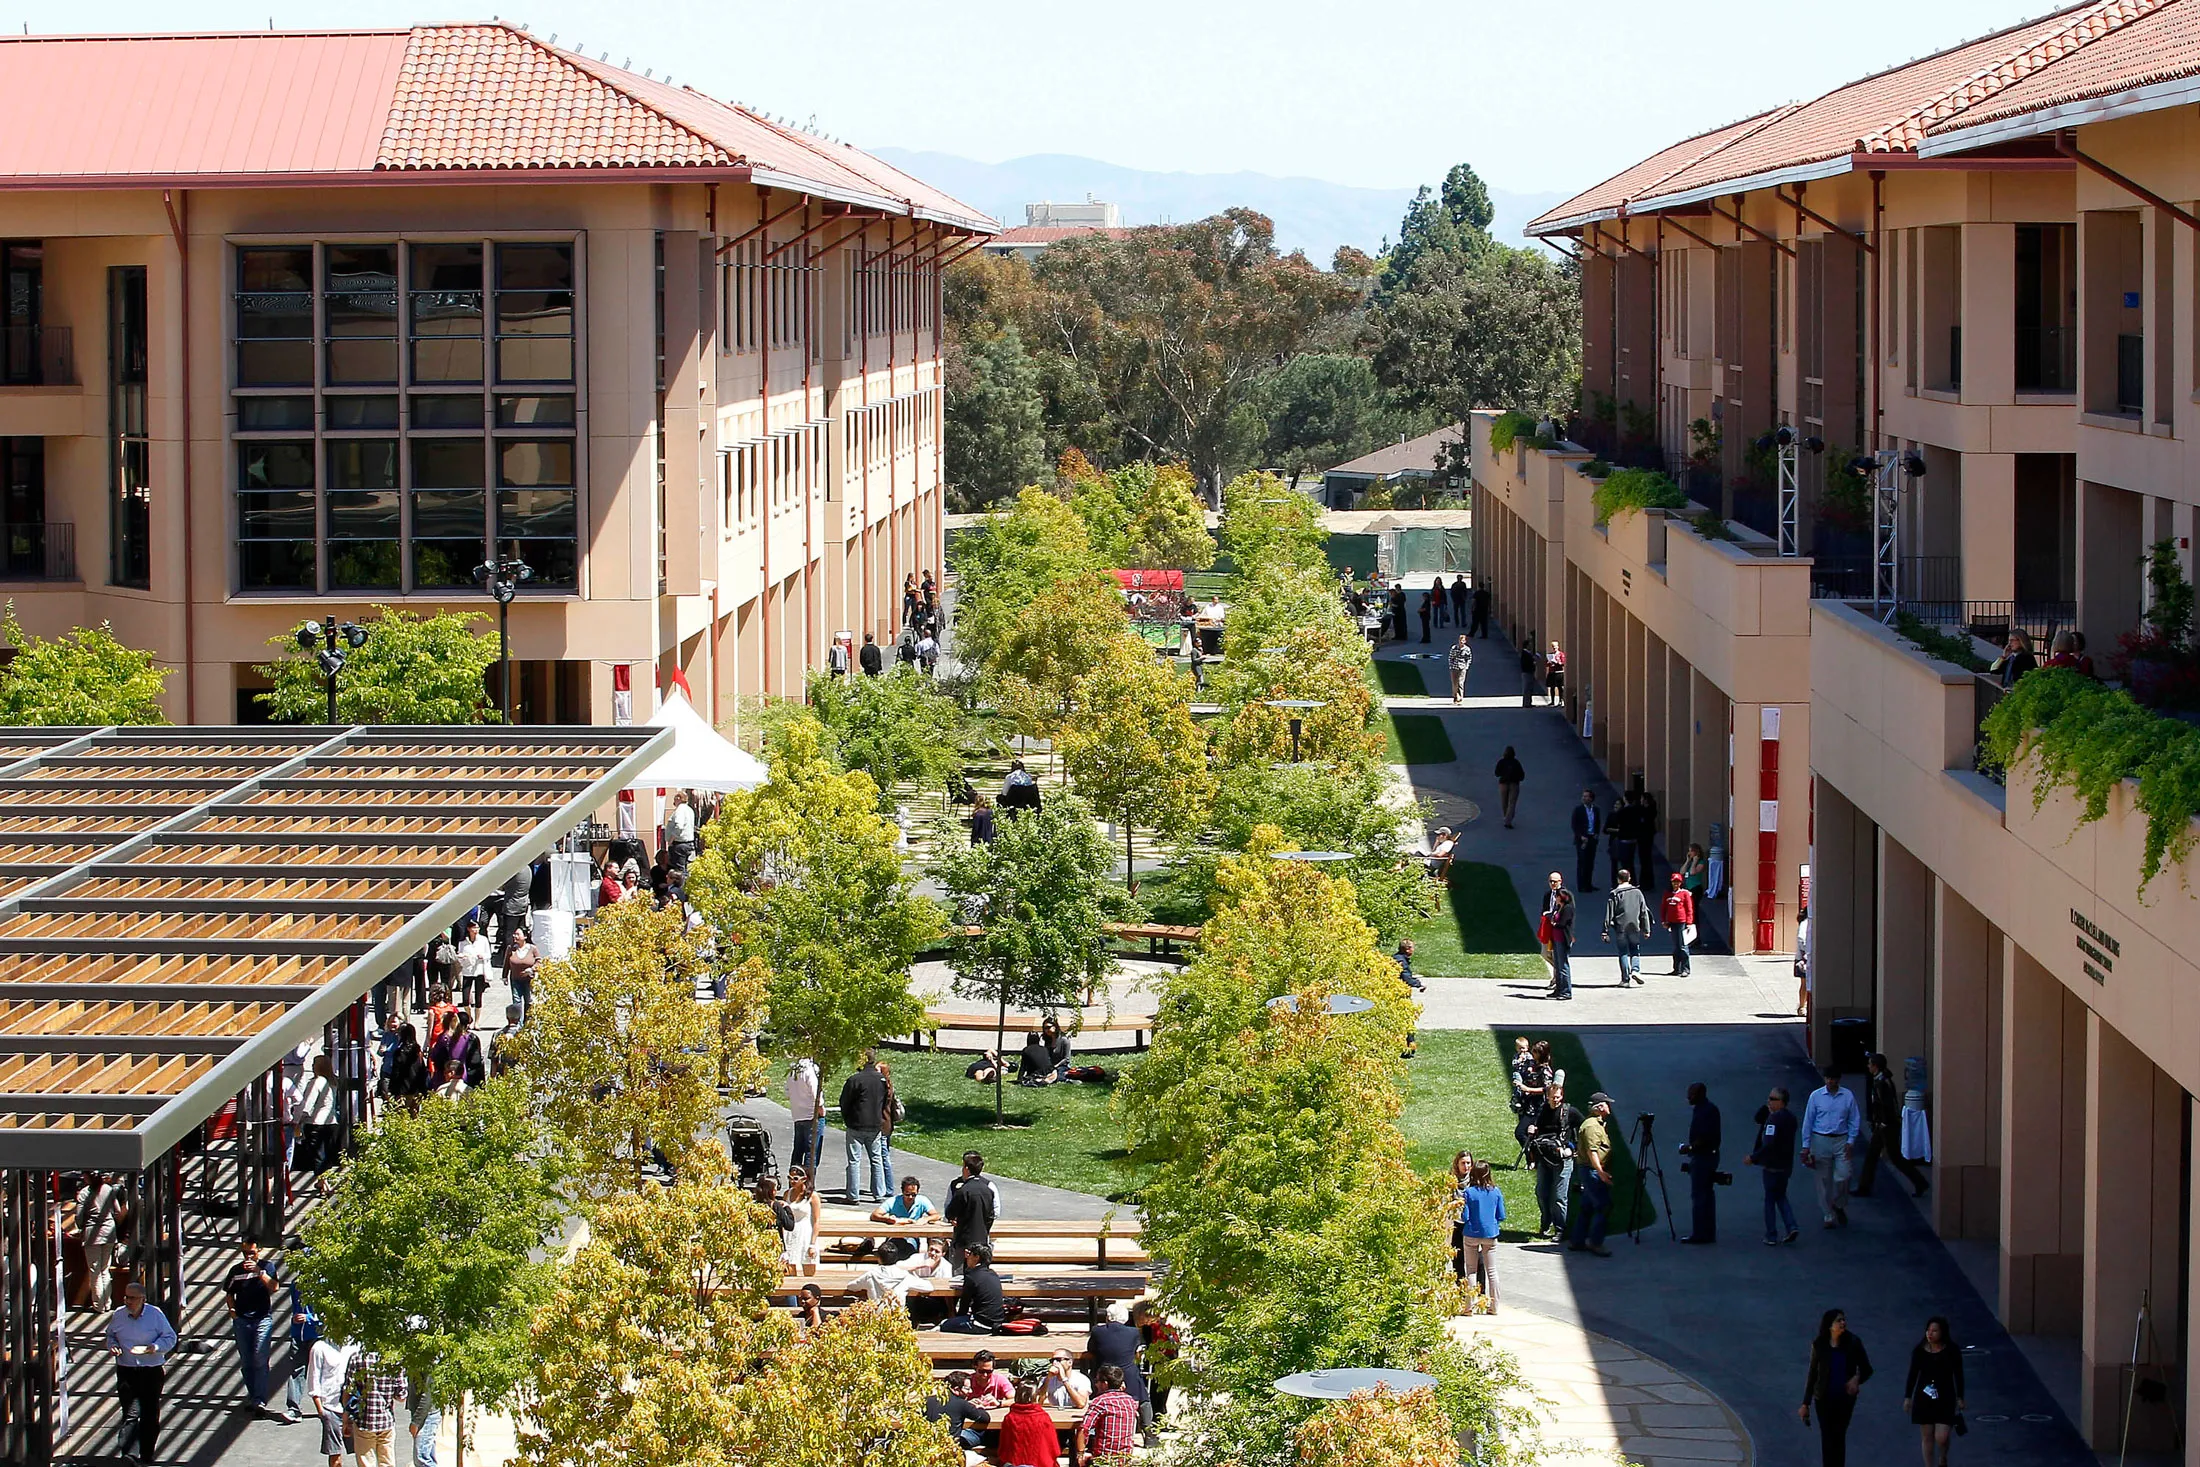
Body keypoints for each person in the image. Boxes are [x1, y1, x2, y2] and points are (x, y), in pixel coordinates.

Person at [107, 1280, 177, 1465]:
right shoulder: (119, 1315)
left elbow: (170, 1337)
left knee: (150, 1413)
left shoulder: (155, 1315)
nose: (127, 1301)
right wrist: (113, 1346)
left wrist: (154, 1347)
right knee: (130, 1413)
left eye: (132, 1298)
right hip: (127, 1370)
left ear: (142, 1299)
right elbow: (111, 1335)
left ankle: (146, 1454)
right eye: (126, 1297)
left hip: (150, 1370)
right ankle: (129, 1455)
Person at [1801, 1308, 1872, 1467]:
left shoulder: (1853, 1342)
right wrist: (1805, 1403)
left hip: (1844, 1399)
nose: (1843, 1323)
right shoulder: (1819, 1345)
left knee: (1839, 1436)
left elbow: (1867, 1369)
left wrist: (1857, 1378)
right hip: (1823, 1398)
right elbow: (1813, 1374)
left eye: (1843, 1320)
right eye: (1838, 1320)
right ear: (1829, 1325)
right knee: (1827, 1437)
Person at [1856, 1052, 1930, 1200]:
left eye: (1870, 1064)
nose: (1868, 1066)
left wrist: (1882, 1122)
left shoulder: (1882, 1082)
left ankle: (1920, 1182)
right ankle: (1864, 1187)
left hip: (1886, 1126)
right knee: (1873, 1155)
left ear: (1876, 1066)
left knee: (1895, 1158)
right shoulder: (1881, 1080)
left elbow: (1887, 1105)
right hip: (1885, 1125)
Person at [1800, 1065, 1863, 1227]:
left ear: (1839, 1080)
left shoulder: (1847, 1096)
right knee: (1823, 1180)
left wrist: (1851, 1141)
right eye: (1828, 1078)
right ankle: (1828, 1214)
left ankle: (1838, 1203)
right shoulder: (1816, 1096)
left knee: (1844, 1174)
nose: (1831, 1081)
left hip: (1841, 1139)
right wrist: (1806, 1146)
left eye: (1833, 1079)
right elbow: (1808, 1121)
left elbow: (1854, 1119)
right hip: (1820, 1139)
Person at [225, 1237, 278, 1413]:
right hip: (242, 1319)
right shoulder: (236, 1270)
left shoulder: (267, 1267)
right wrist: (232, 1311)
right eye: (245, 1253)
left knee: (260, 1358)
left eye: (252, 1253)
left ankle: (259, 1399)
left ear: (259, 1251)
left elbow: (274, 1287)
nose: (248, 1257)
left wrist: (259, 1271)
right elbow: (229, 1292)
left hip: (262, 1318)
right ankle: (253, 1395)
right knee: (247, 1361)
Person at [1904, 1316, 1965, 1467]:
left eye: (1934, 1331)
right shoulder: (1919, 1351)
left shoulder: (1952, 1351)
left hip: (1945, 1397)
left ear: (1942, 1332)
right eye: (1928, 1330)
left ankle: (1943, 1457)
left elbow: (1958, 1374)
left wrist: (1960, 1397)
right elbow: (1913, 1374)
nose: (1930, 1334)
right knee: (1927, 1436)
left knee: (1941, 1437)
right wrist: (1908, 1397)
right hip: (1924, 1397)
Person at [1526, 1077, 1581, 1237]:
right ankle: (1546, 1222)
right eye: (1552, 1097)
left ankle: (1560, 1229)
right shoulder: (1543, 1110)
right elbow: (1537, 1128)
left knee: (1559, 1196)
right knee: (1541, 1192)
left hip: (1563, 1159)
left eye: (1558, 1097)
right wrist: (1532, 1129)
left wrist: (1574, 1149)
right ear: (1547, 1097)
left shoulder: (1570, 1112)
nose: (1555, 1100)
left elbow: (1583, 1127)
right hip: (1545, 1158)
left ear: (1562, 1096)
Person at [1748, 1085, 1802, 1244]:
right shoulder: (1791, 1118)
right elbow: (1758, 1117)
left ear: (1781, 1102)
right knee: (1781, 1196)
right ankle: (1791, 1225)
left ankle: (1771, 1234)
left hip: (1772, 1165)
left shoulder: (1773, 1119)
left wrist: (1753, 1157)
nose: (1768, 1101)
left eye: (1772, 1099)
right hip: (1786, 1165)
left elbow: (1768, 1144)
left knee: (1770, 1199)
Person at [1089, 1303, 1154, 1432]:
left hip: (1104, 1372)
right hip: (1127, 1374)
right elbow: (1135, 1349)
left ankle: (1092, 1432)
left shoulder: (1097, 1331)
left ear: (1108, 1317)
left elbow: (1091, 1348)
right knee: (1143, 1399)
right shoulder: (1133, 1332)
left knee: (1094, 1395)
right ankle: (1148, 1433)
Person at [1566, 1092, 1616, 1257]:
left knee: (1587, 1206)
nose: (1609, 1107)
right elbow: (1592, 1151)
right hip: (1592, 1171)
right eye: (1607, 1104)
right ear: (1600, 1107)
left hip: (1590, 1171)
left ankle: (1577, 1240)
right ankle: (1595, 1243)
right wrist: (1601, 1173)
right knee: (1603, 1205)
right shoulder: (1592, 1127)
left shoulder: (1596, 1123)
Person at [840, 1051, 891, 1203]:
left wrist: (848, 1118)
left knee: (854, 1161)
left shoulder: (855, 1080)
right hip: (875, 1125)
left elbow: (844, 1101)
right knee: (876, 1159)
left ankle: (853, 1195)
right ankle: (879, 1193)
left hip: (856, 1124)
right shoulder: (881, 1080)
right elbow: (886, 1101)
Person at [1679, 1081, 1721, 1244]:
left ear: (1701, 1094)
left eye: (1692, 1094)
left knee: (1699, 1196)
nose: (1688, 1097)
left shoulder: (1706, 1112)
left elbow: (1703, 1138)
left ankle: (1700, 1233)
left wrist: (1688, 1148)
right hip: (1709, 1156)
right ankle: (1708, 1232)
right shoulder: (1707, 1109)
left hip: (1704, 1157)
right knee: (1707, 1194)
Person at [1460, 1159, 1505, 1310]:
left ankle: (1469, 1306)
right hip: (1490, 1234)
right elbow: (1501, 1215)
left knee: (1471, 1270)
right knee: (1491, 1271)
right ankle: (1494, 1306)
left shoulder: (1469, 1193)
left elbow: (1464, 1217)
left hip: (1471, 1233)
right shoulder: (1496, 1192)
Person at [349, 1351, 408, 1467]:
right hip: (386, 1420)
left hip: (364, 1420)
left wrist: (346, 1418)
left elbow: (349, 1389)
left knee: (366, 1463)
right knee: (387, 1462)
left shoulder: (357, 1357)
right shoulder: (394, 1359)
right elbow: (401, 1396)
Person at [1076, 1363, 1140, 1466]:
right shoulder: (1130, 1401)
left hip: (1104, 1458)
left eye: (1097, 1381)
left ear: (1105, 1383)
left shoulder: (1101, 1401)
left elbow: (1084, 1429)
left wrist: (1080, 1454)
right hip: (1125, 1458)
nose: (1096, 1384)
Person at [75, 1171, 121, 1309]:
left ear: (88, 1177)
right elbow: (117, 1210)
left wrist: (80, 1225)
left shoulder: (84, 1193)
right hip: (109, 1231)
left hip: (92, 1233)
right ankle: (107, 1303)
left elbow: (79, 1216)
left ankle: (98, 1305)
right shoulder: (108, 1189)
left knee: (94, 1270)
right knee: (105, 1269)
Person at [306, 1331, 352, 1467]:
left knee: (363, 1452)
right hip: (331, 1408)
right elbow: (314, 1379)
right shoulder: (320, 1347)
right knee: (335, 1455)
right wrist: (321, 1410)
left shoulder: (356, 1346)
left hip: (353, 1407)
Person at [946, 1150, 997, 1271]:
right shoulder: (988, 1190)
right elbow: (991, 1215)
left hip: (964, 1241)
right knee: (981, 1271)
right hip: (982, 1240)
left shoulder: (963, 1191)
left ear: (967, 1169)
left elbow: (950, 1213)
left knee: (959, 1275)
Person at [940, 1243, 1007, 1332]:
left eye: (970, 1254)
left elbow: (964, 1305)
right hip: (997, 1322)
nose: (967, 1257)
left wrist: (957, 1319)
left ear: (976, 1257)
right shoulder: (993, 1274)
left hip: (981, 1324)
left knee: (944, 1324)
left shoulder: (972, 1277)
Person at [297, 1053, 339, 1195]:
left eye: (314, 1063)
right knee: (326, 1154)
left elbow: (308, 1104)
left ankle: (325, 1184)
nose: (312, 1066)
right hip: (331, 1122)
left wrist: (299, 1120)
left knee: (317, 1154)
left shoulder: (317, 1082)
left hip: (316, 1123)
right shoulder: (333, 1081)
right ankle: (322, 1182)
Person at [1603, 868, 1651, 988]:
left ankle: (1625, 979)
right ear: (1629, 878)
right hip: (1635, 925)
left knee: (1623, 951)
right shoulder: (1637, 892)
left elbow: (1609, 913)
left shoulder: (1614, 894)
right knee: (1635, 949)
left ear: (1618, 879)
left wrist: (1605, 930)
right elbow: (1644, 911)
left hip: (1620, 926)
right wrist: (1646, 929)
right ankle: (1635, 970)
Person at [999, 1379, 1062, 1467]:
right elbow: (1053, 1447)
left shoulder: (1009, 1418)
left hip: (1014, 1464)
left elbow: (1004, 1447)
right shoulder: (1043, 1418)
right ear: (1035, 1396)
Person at [283, 1281, 322, 1422]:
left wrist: (309, 1318)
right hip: (298, 1334)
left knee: (320, 1371)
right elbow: (295, 1307)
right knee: (297, 1370)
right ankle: (293, 1409)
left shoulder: (324, 1284)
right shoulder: (296, 1285)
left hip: (317, 1335)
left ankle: (326, 1407)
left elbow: (330, 1312)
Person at [923, 1372, 990, 1453]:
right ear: (956, 1389)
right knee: (984, 1434)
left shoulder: (927, 1400)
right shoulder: (962, 1403)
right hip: (951, 1449)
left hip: (927, 1446)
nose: (971, 1391)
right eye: (967, 1389)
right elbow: (985, 1418)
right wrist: (980, 1407)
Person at [786, 1055, 823, 1181]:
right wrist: (821, 1109)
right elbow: (815, 1093)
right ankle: (807, 1184)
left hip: (798, 1115)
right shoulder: (809, 1070)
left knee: (797, 1151)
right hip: (811, 1116)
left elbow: (787, 1093)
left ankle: (793, 1181)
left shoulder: (793, 1071)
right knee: (811, 1153)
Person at [1541, 873, 1576, 1000]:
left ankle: (1566, 991)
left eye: (1555, 881)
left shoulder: (1567, 908)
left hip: (1562, 938)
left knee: (1563, 965)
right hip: (1554, 937)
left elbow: (1562, 923)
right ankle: (1558, 989)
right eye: (1550, 881)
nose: (1552, 884)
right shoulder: (1556, 905)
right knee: (1557, 963)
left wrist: (1554, 922)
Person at [455, 918, 491, 1021]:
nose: (476, 930)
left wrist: (482, 956)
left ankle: (477, 1021)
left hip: (479, 970)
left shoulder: (483, 940)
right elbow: (460, 956)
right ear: (468, 929)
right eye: (474, 928)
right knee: (465, 998)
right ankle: (469, 1017)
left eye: (477, 928)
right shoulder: (463, 942)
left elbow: (488, 954)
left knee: (478, 997)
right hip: (467, 970)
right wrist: (462, 957)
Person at [1662, 873, 1695, 976]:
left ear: (1681, 883)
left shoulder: (1684, 894)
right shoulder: (1668, 894)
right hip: (1672, 922)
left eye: (1678, 882)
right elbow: (1663, 908)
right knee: (1676, 946)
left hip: (1682, 922)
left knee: (1683, 946)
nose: (1676, 884)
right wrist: (1664, 921)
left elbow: (1689, 909)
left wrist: (1689, 923)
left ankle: (1686, 969)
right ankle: (1676, 968)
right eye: (1674, 882)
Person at [1569, 790, 1601, 892]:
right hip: (1582, 839)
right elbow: (1574, 825)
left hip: (1592, 837)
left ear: (1591, 799)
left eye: (1586, 796)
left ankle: (1588, 883)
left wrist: (1596, 834)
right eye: (1583, 796)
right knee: (1582, 862)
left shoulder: (1596, 810)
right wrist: (1580, 836)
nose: (1584, 798)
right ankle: (1581, 885)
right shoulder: (1578, 810)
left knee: (1590, 862)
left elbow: (1597, 822)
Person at [407, 1378, 439, 1467]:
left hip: (426, 1415)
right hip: (423, 1414)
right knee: (426, 1455)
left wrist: (416, 1422)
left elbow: (428, 1396)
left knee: (422, 1459)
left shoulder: (427, 1366)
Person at [488, 1004, 525, 1080]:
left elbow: (494, 1058)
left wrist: (492, 1078)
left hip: (502, 1075)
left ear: (507, 1017)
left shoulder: (497, 1034)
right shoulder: (524, 1034)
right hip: (520, 1074)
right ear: (519, 1018)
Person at [666, 790, 699, 872]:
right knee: (686, 869)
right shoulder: (689, 809)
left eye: (674, 798)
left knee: (679, 871)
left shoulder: (680, 810)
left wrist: (671, 840)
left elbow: (679, 826)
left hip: (679, 844)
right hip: (688, 843)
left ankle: (680, 885)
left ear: (679, 798)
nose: (674, 801)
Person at [1493, 746, 1525, 828]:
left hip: (1503, 783)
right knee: (1512, 803)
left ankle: (1506, 817)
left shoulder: (1501, 762)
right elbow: (1522, 775)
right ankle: (1508, 820)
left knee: (1504, 802)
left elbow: (1496, 773)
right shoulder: (1516, 763)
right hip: (1514, 784)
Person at [1795, 905, 1812, 1018]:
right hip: (1803, 958)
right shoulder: (1805, 923)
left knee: (1807, 983)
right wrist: (1807, 951)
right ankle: (1802, 1006)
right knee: (1805, 983)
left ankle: (1805, 1005)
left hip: (1808, 956)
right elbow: (1801, 939)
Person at [1447, 632, 1473, 702]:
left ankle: (1460, 697)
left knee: (1460, 682)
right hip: (1454, 667)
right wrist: (1451, 665)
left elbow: (1469, 658)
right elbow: (1450, 657)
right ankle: (1455, 696)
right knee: (1455, 683)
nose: (1461, 642)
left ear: (1465, 641)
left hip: (1462, 667)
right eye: (1460, 641)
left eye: (1463, 641)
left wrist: (1466, 666)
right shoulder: (1454, 648)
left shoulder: (1467, 649)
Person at [1518, 636, 1541, 707]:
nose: (1531, 646)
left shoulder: (1528, 653)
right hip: (1527, 672)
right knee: (1527, 688)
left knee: (1530, 688)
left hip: (1529, 672)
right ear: (1527, 645)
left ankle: (1529, 702)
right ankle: (1526, 703)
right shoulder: (1525, 653)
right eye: (1530, 644)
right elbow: (1528, 662)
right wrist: (1534, 660)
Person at [1545, 640, 1567, 705]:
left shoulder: (1561, 654)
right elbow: (1546, 664)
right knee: (1552, 687)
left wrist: (1557, 662)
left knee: (1560, 687)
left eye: (1555, 646)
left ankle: (1560, 700)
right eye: (1553, 647)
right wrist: (1549, 663)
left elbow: (1563, 663)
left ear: (1558, 646)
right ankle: (1552, 701)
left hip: (1559, 672)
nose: (1554, 648)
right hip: (1552, 672)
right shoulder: (1551, 655)